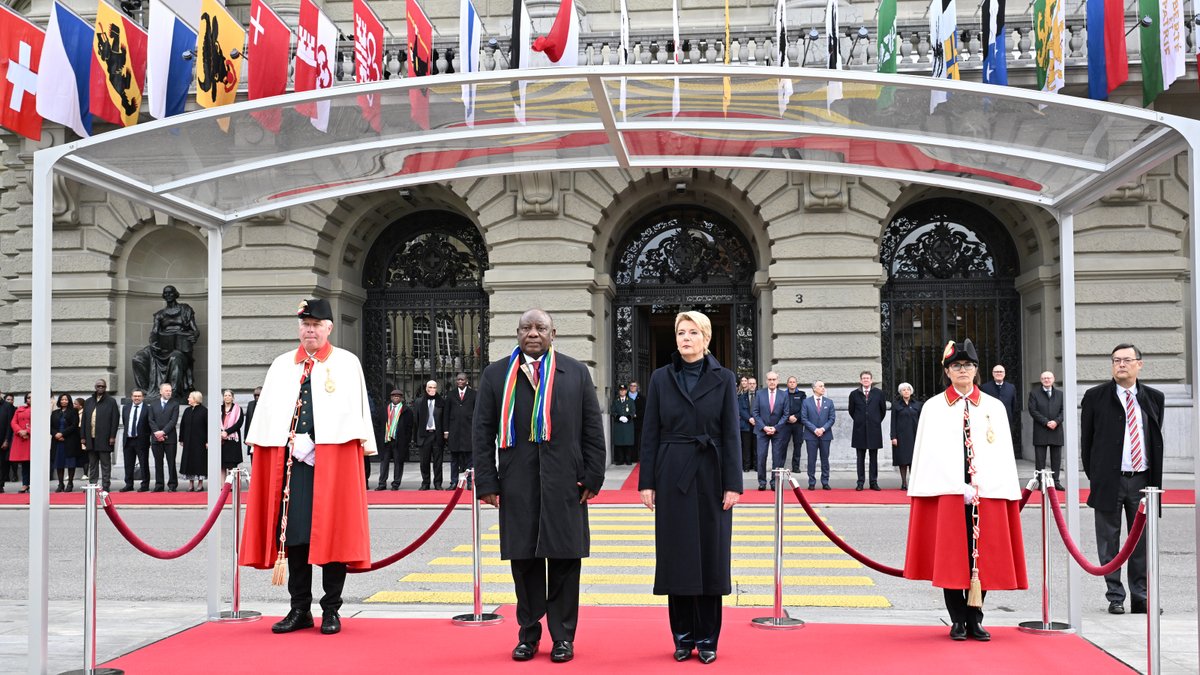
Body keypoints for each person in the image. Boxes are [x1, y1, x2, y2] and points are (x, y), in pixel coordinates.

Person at [473, 309, 605, 664]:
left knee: (565, 562)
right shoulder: (497, 375)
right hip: (517, 484)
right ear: (517, 333)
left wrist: (594, 476)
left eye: (540, 328)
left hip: (566, 484)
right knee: (524, 562)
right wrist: (487, 481)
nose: (533, 333)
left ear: (553, 333)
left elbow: (592, 430)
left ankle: (563, 638)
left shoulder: (575, 373)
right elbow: (482, 433)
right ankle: (528, 635)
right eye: (526, 328)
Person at [240, 298, 375, 636]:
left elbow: (352, 414)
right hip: (292, 465)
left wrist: (316, 440)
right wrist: (291, 440)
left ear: (329, 328)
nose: (310, 330)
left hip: (333, 462)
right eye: (305, 324)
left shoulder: (346, 363)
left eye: (315, 325)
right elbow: (270, 415)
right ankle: (299, 608)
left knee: (333, 534)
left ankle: (331, 609)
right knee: (295, 536)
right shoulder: (281, 365)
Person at [904, 339, 1026, 642]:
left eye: (968, 365)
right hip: (947, 492)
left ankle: (975, 618)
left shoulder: (993, 406)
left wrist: (985, 483)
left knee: (981, 558)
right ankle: (957, 619)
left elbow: (1001, 453)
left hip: (986, 492)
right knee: (951, 557)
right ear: (947, 371)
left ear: (976, 370)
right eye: (956, 366)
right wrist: (955, 485)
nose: (963, 370)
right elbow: (928, 454)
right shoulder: (933, 407)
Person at [638, 311, 741, 664]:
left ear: (706, 338)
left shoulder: (724, 378)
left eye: (693, 332)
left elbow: (731, 433)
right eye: (681, 332)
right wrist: (647, 482)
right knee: (677, 555)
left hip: (712, 472)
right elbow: (650, 432)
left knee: (711, 556)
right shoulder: (661, 378)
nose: (685, 338)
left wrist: (733, 484)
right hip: (672, 473)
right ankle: (682, 637)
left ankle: (708, 639)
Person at [1081, 343, 1164, 616]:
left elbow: (1154, 438)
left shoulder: (1154, 398)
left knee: (1141, 542)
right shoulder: (1095, 397)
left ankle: (1140, 597)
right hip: (1110, 480)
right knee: (1109, 541)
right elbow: (1087, 443)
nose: (1121, 365)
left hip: (1143, 481)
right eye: (1116, 360)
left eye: (1127, 360)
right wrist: (1098, 477)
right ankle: (1115, 596)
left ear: (1139, 364)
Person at [131, 285, 199, 398]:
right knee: (138, 358)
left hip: (179, 347)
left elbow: (195, 329)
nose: (168, 295)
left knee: (175, 358)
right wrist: (153, 344)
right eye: (165, 293)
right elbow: (154, 332)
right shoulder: (160, 314)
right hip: (162, 346)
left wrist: (195, 336)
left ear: (175, 294)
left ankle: (173, 393)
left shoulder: (185, 309)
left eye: (170, 292)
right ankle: (144, 391)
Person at [849, 370, 886, 491]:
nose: (865, 380)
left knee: (873, 457)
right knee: (860, 457)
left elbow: (882, 410)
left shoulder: (879, 393)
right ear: (860, 380)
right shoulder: (854, 394)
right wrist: (860, 420)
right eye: (863, 378)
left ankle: (873, 482)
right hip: (859, 430)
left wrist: (875, 420)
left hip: (874, 429)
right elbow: (851, 411)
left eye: (867, 378)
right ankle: (860, 482)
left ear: (871, 380)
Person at [751, 372, 788, 491]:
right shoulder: (759, 394)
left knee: (777, 458)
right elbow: (755, 412)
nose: (772, 382)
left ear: (778, 381)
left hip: (778, 431)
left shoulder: (784, 395)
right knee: (761, 456)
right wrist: (764, 427)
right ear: (766, 381)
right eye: (770, 379)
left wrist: (776, 428)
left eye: (774, 379)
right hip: (762, 431)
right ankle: (762, 482)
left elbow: (786, 414)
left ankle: (774, 482)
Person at [1028, 371, 1065, 491]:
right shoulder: (1034, 393)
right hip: (1041, 430)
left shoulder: (1060, 394)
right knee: (1040, 460)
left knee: (1056, 459)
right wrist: (1046, 422)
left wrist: (1056, 422)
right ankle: (1041, 482)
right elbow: (1033, 410)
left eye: (1049, 378)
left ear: (1053, 379)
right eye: (1044, 378)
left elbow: (1064, 410)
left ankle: (1056, 481)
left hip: (1056, 430)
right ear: (1041, 380)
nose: (1047, 380)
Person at [81, 379, 120, 491]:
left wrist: (112, 436)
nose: (100, 388)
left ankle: (106, 485)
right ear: (95, 387)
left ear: (105, 388)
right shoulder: (88, 401)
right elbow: (84, 420)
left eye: (103, 386)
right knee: (92, 463)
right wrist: (83, 437)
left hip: (105, 438)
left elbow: (115, 420)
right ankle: (93, 485)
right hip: (90, 438)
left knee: (105, 464)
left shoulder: (111, 401)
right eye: (98, 386)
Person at [800, 381, 835, 490]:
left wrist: (823, 429)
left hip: (825, 435)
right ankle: (811, 482)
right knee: (811, 459)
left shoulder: (829, 402)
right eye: (820, 386)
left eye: (823, 386)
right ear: (814, 388)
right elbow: (804, 418)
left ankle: (825, 481)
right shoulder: (806, 402)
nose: (823, 388)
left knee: (825, 459)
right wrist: (815, 429)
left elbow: (832, 418)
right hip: (811, 435)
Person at [377, 389, 414, 490]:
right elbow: (379, 424)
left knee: (398, 462)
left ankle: (396, 483)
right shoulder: (384, 409)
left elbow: (409, 427)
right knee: (384, 463)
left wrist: (406, 440)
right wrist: (380, 437)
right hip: (386, 440)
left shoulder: (407, 411)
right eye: (394, 396)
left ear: (401, 398)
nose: (396, 397)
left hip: (399, 441)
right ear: (391, 397)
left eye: (398, 396)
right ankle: (382, 483)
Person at [980, 364, 1019, 459]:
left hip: (1006, 421)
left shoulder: (1011, 387)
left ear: (1004, 374)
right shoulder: (985, 387)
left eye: (1001, 372)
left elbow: (1014, 406)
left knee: (1005, 445)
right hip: (990, 423)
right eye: (996, 372)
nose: (999, 373)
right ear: (993, 374)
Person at [147, 383, 181, 492]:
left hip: (170, 438)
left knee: (171, 462)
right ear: (161, 392)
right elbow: (151, 420)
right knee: (158, 462)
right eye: (166, 390)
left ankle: (172, 485)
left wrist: (163, 432)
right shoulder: (153, 404)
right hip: (156, 438)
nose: (169, 392)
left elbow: (173, 421)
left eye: (170, 391)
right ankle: (159, 485)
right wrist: (157, 433)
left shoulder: (175, 404)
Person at [445, 372, 477, 486]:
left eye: (462, 379)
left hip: (469, 431)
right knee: (454, 459)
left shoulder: (474, 394)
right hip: (454, 431)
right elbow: (446, 413)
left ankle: (470, 482)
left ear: (466, 381)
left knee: (470, 459)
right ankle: (454, 482)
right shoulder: (451, 394)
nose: (460, 381)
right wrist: (446, 431)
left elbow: (477, 412)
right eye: (458, 379)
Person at [415, 379, 446, 490]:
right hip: (424, 435)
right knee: (424, 462)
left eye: (434, 387)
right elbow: (416, 420)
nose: (432, 389)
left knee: (438, 462)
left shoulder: (441, 402)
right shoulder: (419, 402)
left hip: (437, 436)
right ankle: (425, 483)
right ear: (426, 388)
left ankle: (438, 483)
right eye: (430, 387)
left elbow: (444, 419)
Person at [890, 383, 921, 491]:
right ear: (900, 392)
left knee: (913, 459)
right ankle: (904, 482)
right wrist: (893, 437)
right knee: (902, 460)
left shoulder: (917, 404)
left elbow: (921, 421)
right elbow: (893, 422)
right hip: (901, 436)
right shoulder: (896, 405)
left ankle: (912, 482)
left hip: (914, 435)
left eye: (908, 389)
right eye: (904, 390)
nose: (906, 391)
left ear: (911, 391)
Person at [121, 389, 152, 492]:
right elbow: (125, 422)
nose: (137, 398)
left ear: (143, 397)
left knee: (143, 463)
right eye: (135, 396)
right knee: (128, 464)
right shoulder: (126, 408)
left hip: (141, 440)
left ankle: (145, 485)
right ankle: (129, 484)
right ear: (131, 397)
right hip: (128, 440)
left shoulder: (148, 409)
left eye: (139, 396)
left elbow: (149, 424)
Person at [51, 393, 82, 492]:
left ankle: (70, 483)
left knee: (70, 463)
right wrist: (56, 434)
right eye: (62, 399)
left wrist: (62, 434)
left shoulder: (73, 411)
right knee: (59, 463)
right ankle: (60, 484)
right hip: (57, 441)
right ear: (59, 401)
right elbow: (50, 426)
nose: (64, 401)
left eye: (66, 399)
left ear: (69, 401)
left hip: (70, 440)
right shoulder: (55, 413)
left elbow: (74, 425)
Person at [178, 391, 208, 492]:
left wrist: (208, 441)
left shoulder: (204, 411)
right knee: (189, 462)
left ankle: (200, 484)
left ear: (195, 399)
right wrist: (181, 439)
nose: (188, 399)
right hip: (188, 441)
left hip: (200, 442)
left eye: (190, 397)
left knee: (199, 462)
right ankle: (191, 484)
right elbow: (182, 426)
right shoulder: (187, 410)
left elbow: (208, 427)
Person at [8, 393, 31, 493]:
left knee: (34, 463)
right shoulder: (20, 409)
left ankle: (36, 484)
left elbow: (40, 422)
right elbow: (13, 422)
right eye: (28, 397)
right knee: (25, 462)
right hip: (21, 438)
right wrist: (20, 431)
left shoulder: (40, 409)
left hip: (32, 439)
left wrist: (28, 431)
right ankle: (25, 484)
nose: (30, 399)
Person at [783, 376, 807, 473]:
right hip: (786, 424)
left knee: (798, 445)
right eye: (790, 382)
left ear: (796, 384)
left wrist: (796, 416)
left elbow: (804, 409)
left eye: (794, 382)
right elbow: (780, 408)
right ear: (787, 384)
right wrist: (788, 417)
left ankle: (796, 467)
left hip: (798, 424)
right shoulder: (783, 394)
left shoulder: (802, 395)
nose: (792, 383)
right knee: (783, 445)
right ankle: (781, 466)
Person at [219, 389, 243, 478]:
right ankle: (223, 485)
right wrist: (221, 432)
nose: (227, 397)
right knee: (221, 465)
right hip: (221, 440)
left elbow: (239, 423)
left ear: (232, 398)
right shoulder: (219, 408)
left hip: (232, 441)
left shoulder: (238, 409)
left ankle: (231, 484)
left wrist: (227, 432)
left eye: (229, 395)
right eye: (225, 395)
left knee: (232, 466)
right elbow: (215, 421)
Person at [610, 385, 635, 465]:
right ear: (619, 391)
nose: (622, 391)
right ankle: (620, 459)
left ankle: (628, 459)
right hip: (619, 425)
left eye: (623, 390)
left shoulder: (630, 401)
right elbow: (612, 411)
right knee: (619, 443)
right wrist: (619, 417)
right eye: (621, 390)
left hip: (628, 425)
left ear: (626, 391)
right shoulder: (615, 401)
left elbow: (633, 411)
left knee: (628, 443)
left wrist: (628, 417)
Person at [737, 377, 757, 472]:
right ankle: (746, 466)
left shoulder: (760, 396)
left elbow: (763, 408)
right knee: (746, 447)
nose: (752, 385)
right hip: (745, 425)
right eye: (750, 383)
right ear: (747, 385)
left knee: (756, 447)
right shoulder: (741, 397)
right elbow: (740, 410)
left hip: (757, 425)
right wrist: (749, 418)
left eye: (753, 383)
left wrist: (756, 419)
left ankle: (756, 466)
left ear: (756, 385)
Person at [0, 389, 16, 493]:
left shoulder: (7, 406)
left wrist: (7, 440)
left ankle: (0, 485)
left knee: (2, 464)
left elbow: (10, 425)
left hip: (2, 440)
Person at [628, 380, 645, 464]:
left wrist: (635, 415)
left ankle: (635, 457)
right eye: (631, 385)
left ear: (637, 387)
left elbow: (644, 410)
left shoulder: (641, 398)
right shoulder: (625, 396)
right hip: (627, 422)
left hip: (637, 423)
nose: (632, 387)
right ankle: (626, 457)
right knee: (627, 440)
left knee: (636, 440)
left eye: (634, 386)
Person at [244, 386, 262, 461]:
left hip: (262, 437)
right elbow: (247, 422)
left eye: (259, 395)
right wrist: (245, 437)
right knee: (253, 458)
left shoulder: (267, 405)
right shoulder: (251, 404)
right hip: (252, 436)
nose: (257, 397)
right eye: (255, 395)